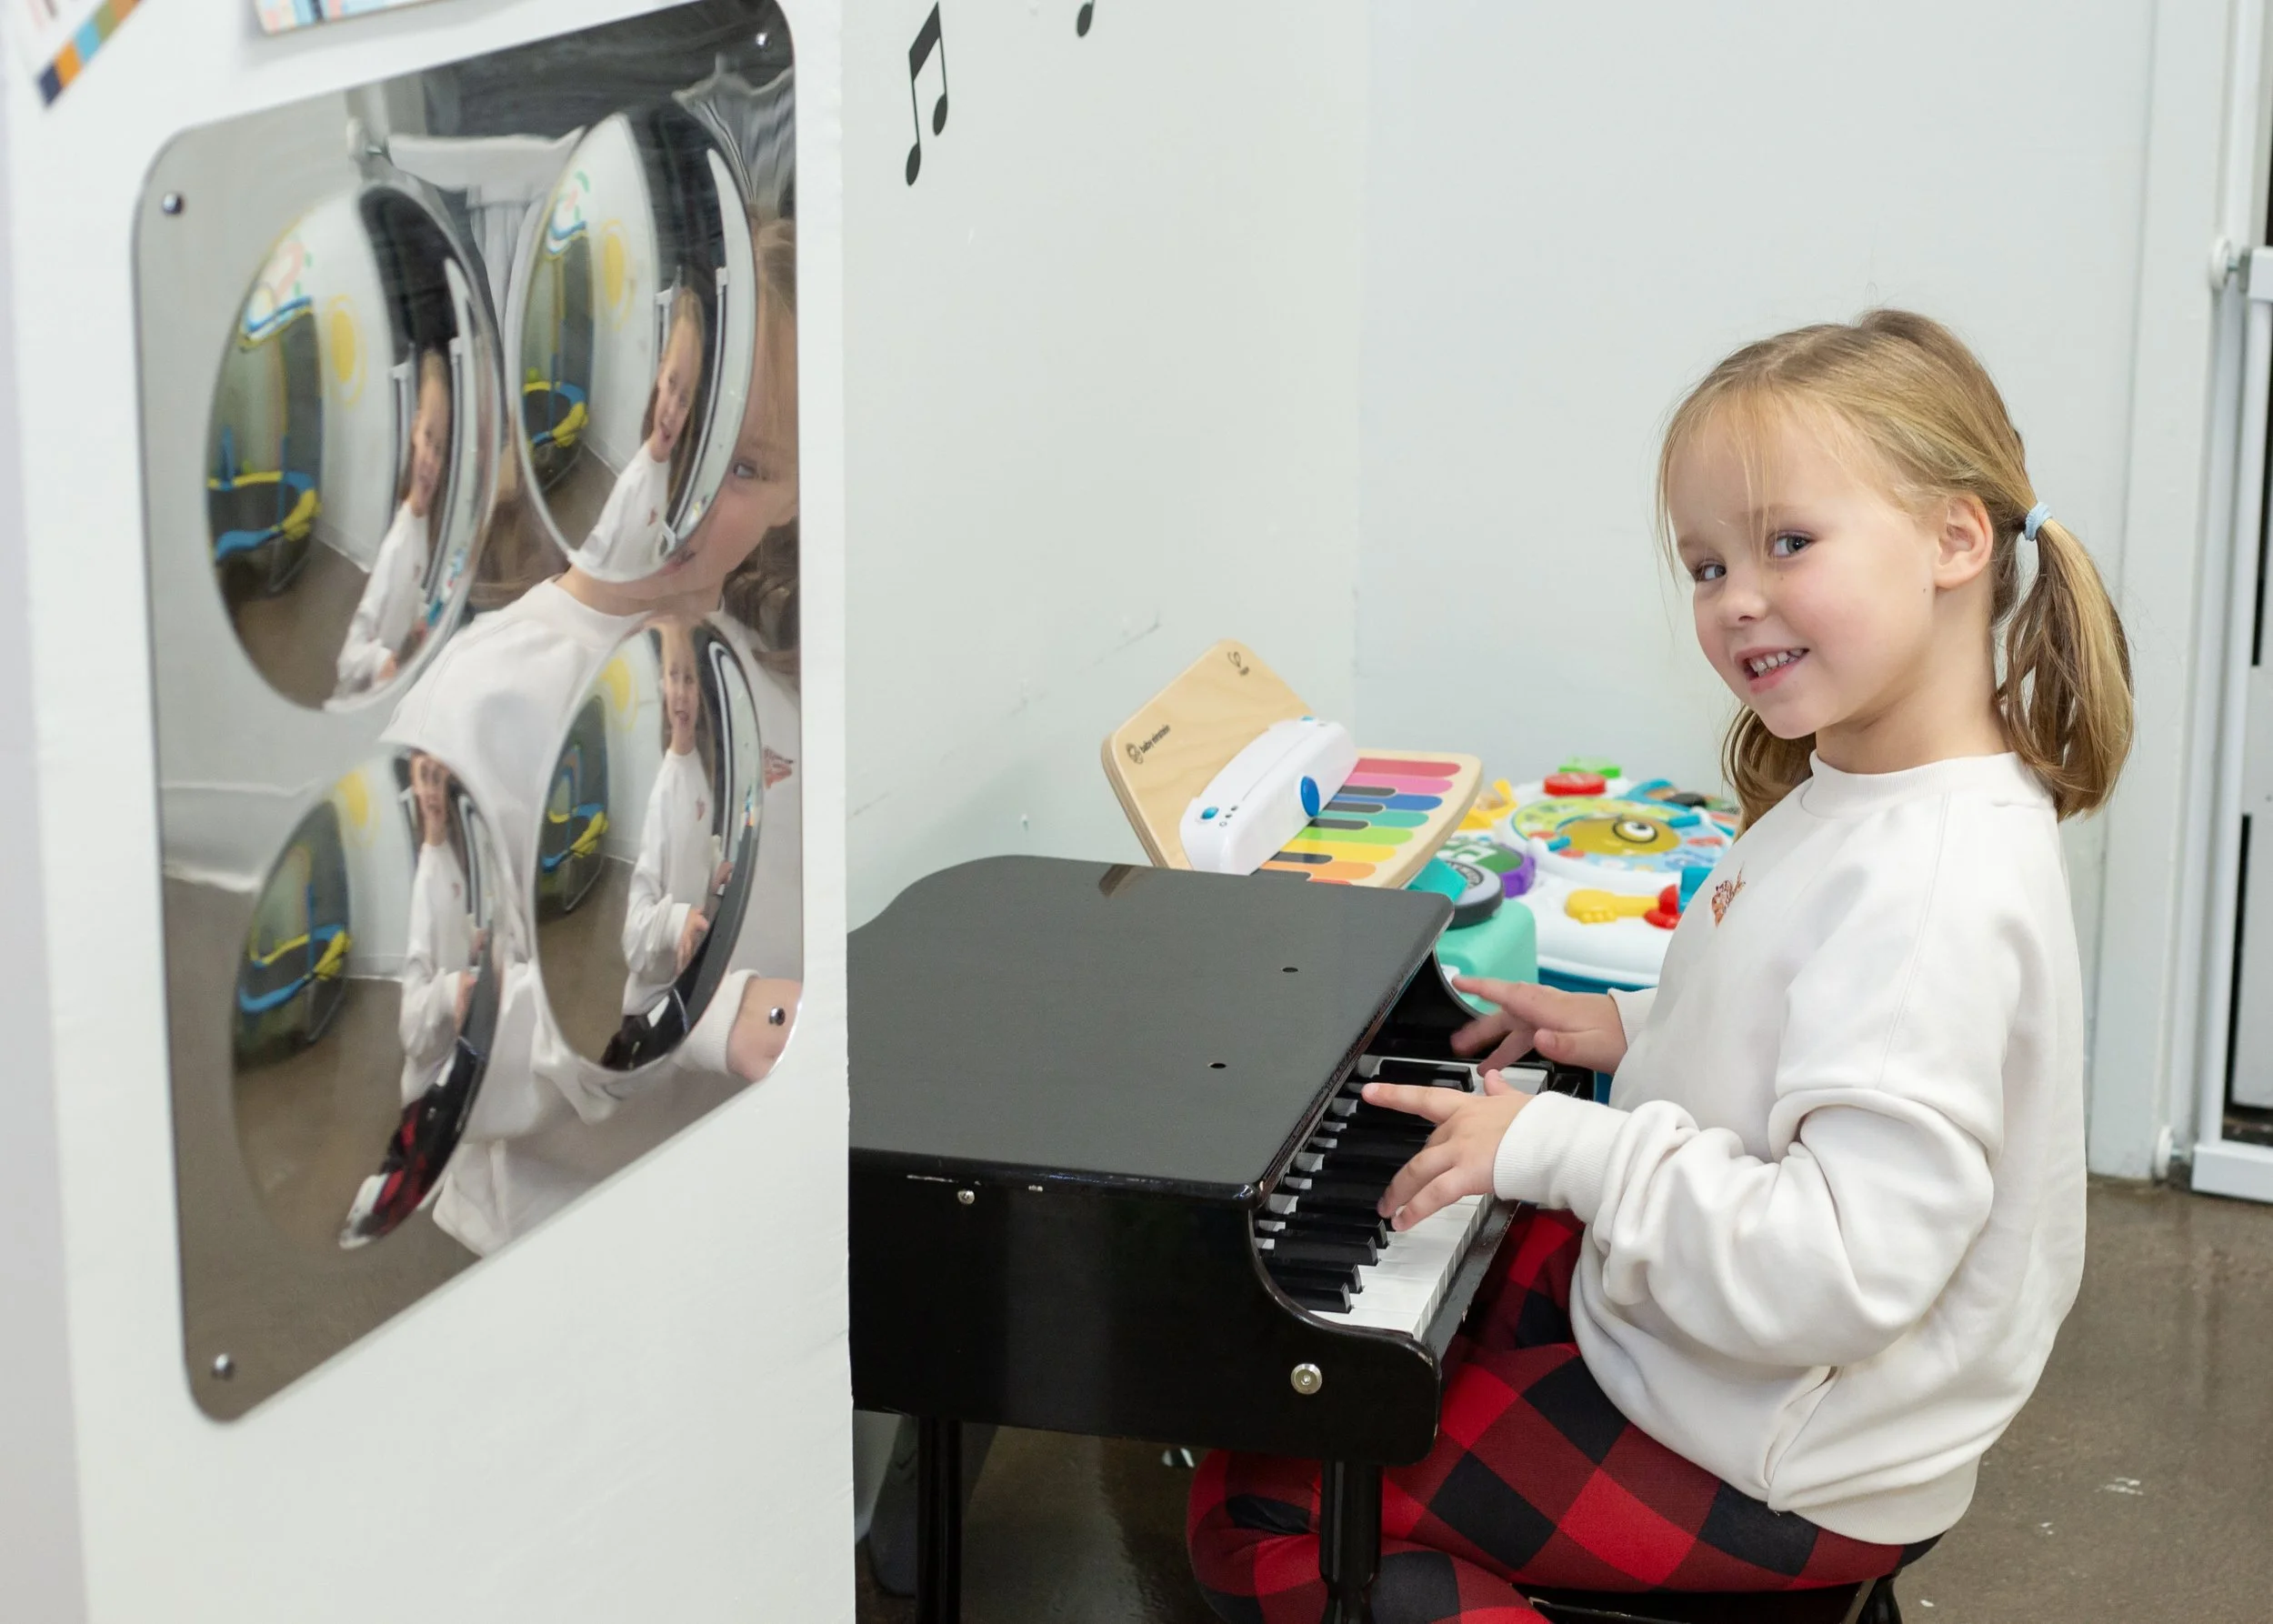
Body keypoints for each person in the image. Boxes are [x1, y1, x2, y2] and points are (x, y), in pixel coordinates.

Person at [1188, 311, 2134, 1619]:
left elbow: (1837, 1270)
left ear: (1953, 539)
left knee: (1266, 1501)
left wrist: (1564, 1149)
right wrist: (1634, 1030)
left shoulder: (1930, 888)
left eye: (1788, 542)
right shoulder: (1868, 786)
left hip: (1794, 1451)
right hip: (1741, 1367)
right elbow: (1810, 1025)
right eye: (1705, 563)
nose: (1736, 597)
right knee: (1339, 1340)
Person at [383, 215, 800, 1258]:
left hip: (747, 1206)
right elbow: (436, 1059)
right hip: (566, 1247)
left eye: (745, 468)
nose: (690, 498)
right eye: (671, 435)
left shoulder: (766, 660)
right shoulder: (481, 706)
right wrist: (704, 1021)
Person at [341, 750, 483, 1247]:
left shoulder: (450, 865)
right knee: (399, 1194)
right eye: (424, 778)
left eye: (439, 778)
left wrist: (471, 940)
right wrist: (450, 990)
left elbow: (451, 930)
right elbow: (411, 1026)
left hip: (450, 1068)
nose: (432, 789)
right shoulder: (425, 882)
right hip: (428, 1086)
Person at [617, 617, 729, 1019]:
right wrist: (677, 920)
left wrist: (715, 867)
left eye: (691, 680)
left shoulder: (699, 768)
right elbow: (634, 933)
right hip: (649, 1007)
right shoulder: (663, 795)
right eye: (674, 677)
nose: (681, 693)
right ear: (662, 685)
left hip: (684, 984)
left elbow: (694, 845)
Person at [335, 349, 452, 697]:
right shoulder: (396, 544)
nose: (431, 460)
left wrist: (418, 617)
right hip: (361, 696)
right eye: (428, 438)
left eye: (441, 448)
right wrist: (378, 660)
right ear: (414, 431)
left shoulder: (422, 524)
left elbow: (411, 584)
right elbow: (347, 660)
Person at [574, 284, 706, 579]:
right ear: (660, 374)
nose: (672, 411)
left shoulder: (668, 471)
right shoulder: (633, 482)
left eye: (684, 400)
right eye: (672, 383)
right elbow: (594, 554)